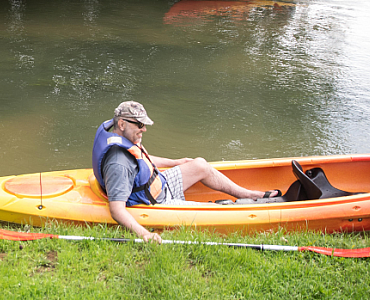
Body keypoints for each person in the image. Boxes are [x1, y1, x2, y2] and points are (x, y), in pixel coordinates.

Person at [91, 101, 281, 244]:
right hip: (156, 202)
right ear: (122, 124)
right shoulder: (118, 163)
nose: (144, 129)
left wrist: (176, 162)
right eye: (139, 125)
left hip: (159, 183)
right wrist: (145, 235)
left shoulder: (123, 134)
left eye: (144, 124)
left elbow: (141, 158)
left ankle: (247, 194)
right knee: (217, 212)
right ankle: (249, 210)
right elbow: (116, 209)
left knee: (200, 165)